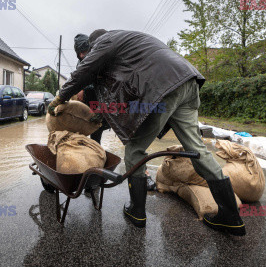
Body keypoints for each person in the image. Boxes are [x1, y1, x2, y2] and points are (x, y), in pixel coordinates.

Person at [49, 30, 245, 236]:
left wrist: (60, 97)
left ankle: (137, 211)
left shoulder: (104, 41)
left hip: (164, 86)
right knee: (197, 149)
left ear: (94, 43)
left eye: (87, 50)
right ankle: (231, 216)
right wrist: (104, 114)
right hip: (189, 80)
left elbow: (84, 71)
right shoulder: (130, 43)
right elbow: (123, 89)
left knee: (134, 150)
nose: (85, 55)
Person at [73, 33, 157, 191]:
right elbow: (79, 80)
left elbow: (112, 83)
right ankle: (93, 174)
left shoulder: (103, 56)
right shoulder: (81, 65)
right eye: (80, 53)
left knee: (132, 139)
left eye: (85, 51)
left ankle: (143, 174)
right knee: (94, 141)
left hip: (114, 106)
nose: (83, 55)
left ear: (92, 48)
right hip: (95, 111)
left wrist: (87, 87)